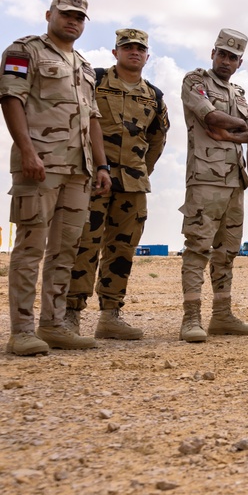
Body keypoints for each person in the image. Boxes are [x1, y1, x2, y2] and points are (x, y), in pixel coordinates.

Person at [1, 0, 112, 355]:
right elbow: (11, 98)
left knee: (66, 250)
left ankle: (53, 324)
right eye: (66, 14)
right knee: (31, 246)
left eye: (80, 18)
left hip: (78, 171)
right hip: (40, 166)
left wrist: (101, 164)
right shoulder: (24, 51)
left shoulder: (83, 65)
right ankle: (22, 330)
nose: (73, 21)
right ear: (49, 14)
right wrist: (29, 152)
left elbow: (92, 118)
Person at [65, 28, 169, 342]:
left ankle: (111, 316)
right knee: (85, 243)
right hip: (94, 178)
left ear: (147, 56)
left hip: (133, 185)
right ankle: (70, 314)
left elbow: (157, 139)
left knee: (122, 250)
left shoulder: (154, 96)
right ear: (115, 53)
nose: (134, 52)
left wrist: (141, 170)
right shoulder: (95, 81)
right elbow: (78, 120)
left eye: (140, 48)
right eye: (127, 47)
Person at [178, 28, 248, 343]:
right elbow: (209, 115)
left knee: (227, 251)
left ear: (240, 62)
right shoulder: (195, 81)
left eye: (233, 57)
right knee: (197, 248)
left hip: (233, 183)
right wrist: (239, 124)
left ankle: (222, 316)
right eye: (222, 54)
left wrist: (231, 134)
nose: (226, 61)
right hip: (204, 179)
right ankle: (191, 319)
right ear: (212, 53)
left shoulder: (238, 93)